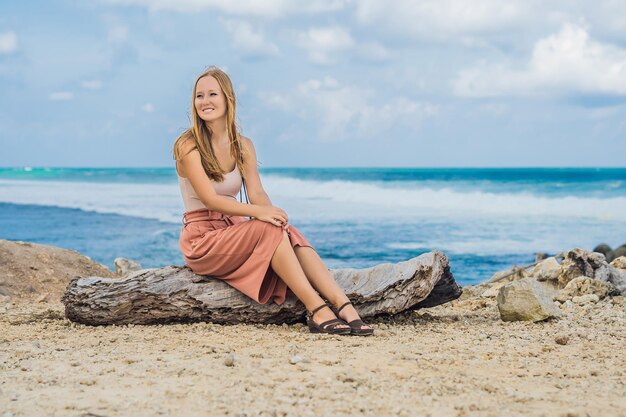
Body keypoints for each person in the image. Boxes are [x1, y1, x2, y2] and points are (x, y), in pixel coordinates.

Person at [173, 67, 373, 336]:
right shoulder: (188, 145)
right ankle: (316, 309)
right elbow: (210, 199)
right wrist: (260, 214)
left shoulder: (242, 145)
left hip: (232, 230)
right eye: (199, 96)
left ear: (227, 99)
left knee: (285, 230)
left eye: (212, 94)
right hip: (202, 240)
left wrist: (272, 213)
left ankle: (344, 305)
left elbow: (256, 192)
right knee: (267, 227)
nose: (204, 101)